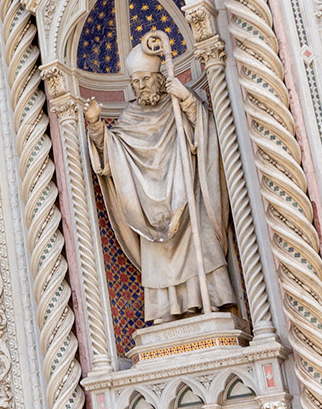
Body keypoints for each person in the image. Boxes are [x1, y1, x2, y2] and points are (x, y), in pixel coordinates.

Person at [85, 36, 234, 323]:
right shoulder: (129, 117)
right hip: (148, 207)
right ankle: (166, 311)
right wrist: (94, 125)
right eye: (136, 82)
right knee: (158, 254)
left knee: (200, 241)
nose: (141, 86)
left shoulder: (176, 104)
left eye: (145, 79)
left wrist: (187, 98)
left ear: (158, 78)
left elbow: (204, 132)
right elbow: (112, 153)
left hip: (186, 195)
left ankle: (209, 301)